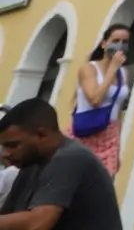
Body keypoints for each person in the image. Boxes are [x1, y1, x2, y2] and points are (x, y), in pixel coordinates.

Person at [0, 98, 123, 230]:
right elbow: (8, 216)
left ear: (42, 135)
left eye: (12, 145)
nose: (5, 154)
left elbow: (37, 223)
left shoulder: (71, 158)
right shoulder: (30, 164)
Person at [70, 28, 130, 176]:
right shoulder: (89, 69)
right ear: (104, 44)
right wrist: (112, 68)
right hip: (88, 132)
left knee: (101, 185)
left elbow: (119, 109)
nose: (120, 45)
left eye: (125, 42)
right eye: (116, 41)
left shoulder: (124, 73)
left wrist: (118, 148)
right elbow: (95, 99)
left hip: (110, 135)